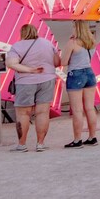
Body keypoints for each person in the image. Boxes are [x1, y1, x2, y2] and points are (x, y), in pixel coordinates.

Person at [6, 24, 61, 152]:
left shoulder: (17, 46)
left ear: (22, 33)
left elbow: (10, 63)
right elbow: (57, 62)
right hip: (47, 79)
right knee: (43, 113)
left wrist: (30, 70)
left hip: (25, 82)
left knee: (23, 114)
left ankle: (22, 145)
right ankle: (40, 144)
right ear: (36, 32)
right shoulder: (48, 44)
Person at [62, 20, 99, 149]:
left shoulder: (72, 43)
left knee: (77, 110)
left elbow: (64, 62)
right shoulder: (92, 42)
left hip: (76, 74)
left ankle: (77, 140)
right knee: (90, 107)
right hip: (89, 73)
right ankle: (92, 137)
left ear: (76, 27)